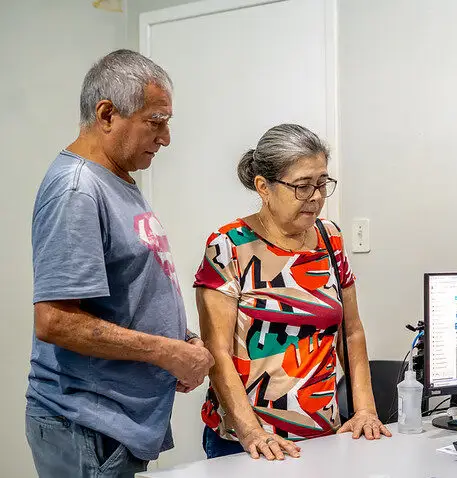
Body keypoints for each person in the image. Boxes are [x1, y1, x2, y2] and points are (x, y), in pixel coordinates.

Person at [26, 49, 214, 478]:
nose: (165, 138)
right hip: (85, 425)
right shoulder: (78, 190)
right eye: (156, 122)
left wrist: (181, 341)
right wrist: (167, 353)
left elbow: (129, 290)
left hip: (114, 426)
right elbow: (55, 321)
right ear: (107, 114)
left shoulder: (118, 180)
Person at [195, 123, 390, 460]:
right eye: (302, 186)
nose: (315, 197)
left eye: (322, 184)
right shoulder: (228, 246)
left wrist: (365, 410)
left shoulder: (330, 239)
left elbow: (352, 331)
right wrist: (253, 433)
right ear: (263, 187)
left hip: (324, 434)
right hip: (248, 444)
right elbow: (218, 352)